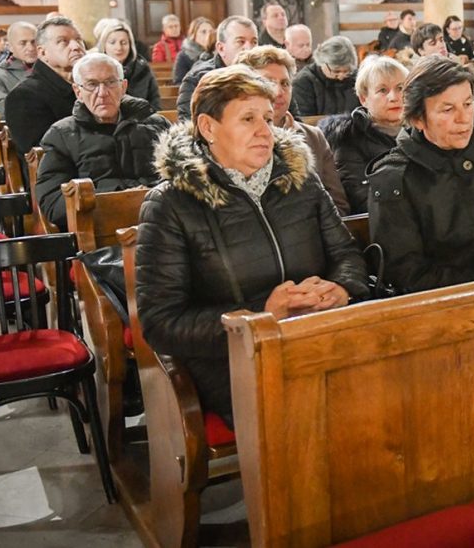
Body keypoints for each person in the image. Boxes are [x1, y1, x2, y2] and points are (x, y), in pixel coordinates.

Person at [137, 65, 369, 425]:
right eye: (248, 119)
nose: (265, 132)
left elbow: (346, 254)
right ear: (207, 127)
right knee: (324, 408)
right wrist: (262, 313)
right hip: (233, 359)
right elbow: (162, 322)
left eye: (267, 117)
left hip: (316, 334)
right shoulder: (170, 204)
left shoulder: (300, 182)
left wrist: (341, 289)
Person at [367, 56, 474, 293]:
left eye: (468, 104)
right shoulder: (394, 178)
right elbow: (407, 273)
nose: (464, 119)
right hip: (441, 306)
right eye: (448, 109)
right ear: (418, 118)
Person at [35, 53, 171, 229]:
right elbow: (53, 203)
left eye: (110, 82)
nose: (102, 93)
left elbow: (185, 178)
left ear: (123, 87)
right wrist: (120, 199)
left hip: (161, 224)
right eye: (92, 85)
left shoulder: (157, 124)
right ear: (78, 92)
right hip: (100, 233)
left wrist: (146, 195)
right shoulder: (61, 135)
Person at [234, 45, 350, 215]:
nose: (279, 92)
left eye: (285, 83)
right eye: (268, 82)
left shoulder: (313, 137)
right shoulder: (234, 138)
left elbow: (339, 206)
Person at [320, 55, 406, 214]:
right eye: (383, 90)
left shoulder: (421, 131)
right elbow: (362, 199)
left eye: (400, 88)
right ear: (363, 98)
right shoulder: (350, 138)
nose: (394, 97)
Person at [5, 15, 88, 152]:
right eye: (63, 41)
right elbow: (44, 154)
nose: (76, 47)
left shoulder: (93, 85)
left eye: (79, 40)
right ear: (42, 52)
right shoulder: (24, 96)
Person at [176, 15, 258, 119]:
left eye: (254, 42)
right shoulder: (198, 79)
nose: (249, 48)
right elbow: (189, 126)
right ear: (221, 48)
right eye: (240, 42)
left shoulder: (265, 73)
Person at [96, 20, 160, 109]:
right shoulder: (93, 69)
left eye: (124, 43)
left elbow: (155, 104)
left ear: (130, 45)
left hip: (140, 120)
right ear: (104, 46)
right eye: (112, 42)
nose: (119, 48)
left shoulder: (142, 68)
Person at [0, 21, 38, 118]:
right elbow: (1, 109)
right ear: (11, 47)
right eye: (23, 43)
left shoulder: (52, 69)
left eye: (34, 42)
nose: (31, 48)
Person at [292, 36, 358, 118]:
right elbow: (305, 121)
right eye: (336, 71)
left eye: (347, 71)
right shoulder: (303, 82)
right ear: (322, 62)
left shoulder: (356, 78)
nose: (341, 76)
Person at [174, 16, 216, 84]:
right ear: (193, 35)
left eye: (211, 32)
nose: (208, 35)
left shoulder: (218, 52)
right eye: (203, 32)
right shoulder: (183, 56)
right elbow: (179, 82)